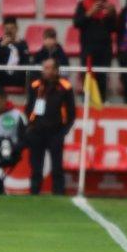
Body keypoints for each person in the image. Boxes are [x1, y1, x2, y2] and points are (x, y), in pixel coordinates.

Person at [24, 58, 75, 196]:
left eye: (48, 68)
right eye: (44, 67)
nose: (45, 71)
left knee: (57, 165)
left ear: (56, 70)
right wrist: (31, 125)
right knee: (36, 165)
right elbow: (28, 107)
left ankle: (58, 192)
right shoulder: (35, 85)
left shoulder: (65, 87)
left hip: (56, 132)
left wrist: (63, 131)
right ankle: (34, 193)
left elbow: (71, 112)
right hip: (37, 131)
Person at [73, 0, 117, 100]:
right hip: (88, 49)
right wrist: (90, 13)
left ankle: (101, 103)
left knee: (102, 79)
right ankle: (87, 104)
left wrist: (112, 15)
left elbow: (114, 29)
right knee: (87, 78)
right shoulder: (83, 4)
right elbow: (77, 23)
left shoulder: (109, 7)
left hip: (105, 50)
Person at [0, 16, 29, 91]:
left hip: (18, 76)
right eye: (7, 29)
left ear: (16, 28)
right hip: (3, 76)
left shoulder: (22, 43)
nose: (9, 31)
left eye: (12, 28)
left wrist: (19, 46)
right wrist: (1, 47)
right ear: (3, 29)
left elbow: (26, 62)